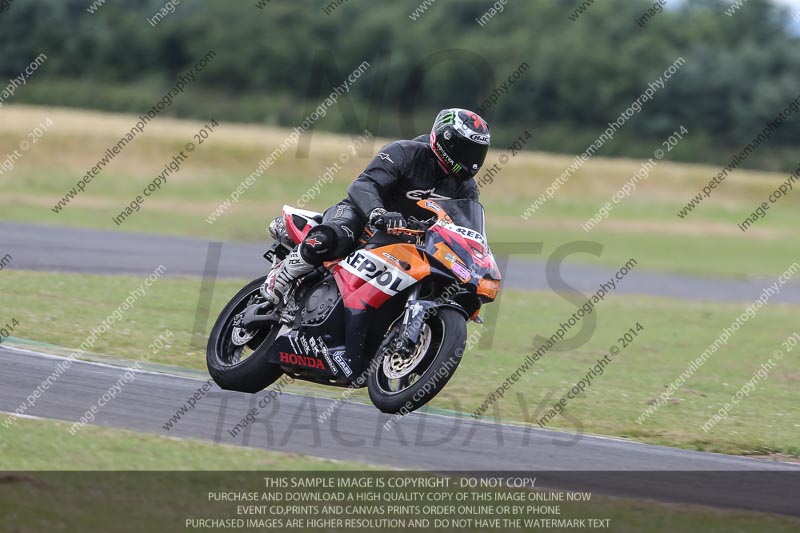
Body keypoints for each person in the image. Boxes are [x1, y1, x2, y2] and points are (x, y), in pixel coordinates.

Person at [261, 107, 491, 304]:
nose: (472, 159)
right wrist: (378, 212)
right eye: (466, 149)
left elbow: (466, 230)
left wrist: (476, 264)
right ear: (446, 139)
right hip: (362, 215)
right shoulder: (404, 152)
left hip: (408, 240)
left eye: (478, 152)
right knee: (334, 236)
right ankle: (283, 274)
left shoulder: (465, 187)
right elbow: (363, 185)